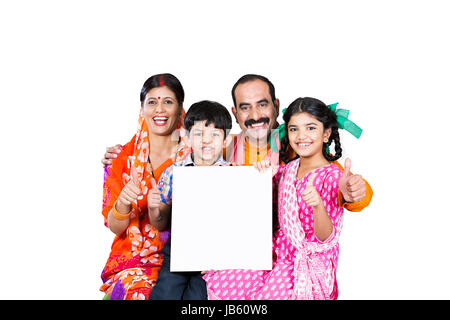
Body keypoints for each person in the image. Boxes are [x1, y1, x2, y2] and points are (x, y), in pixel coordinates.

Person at [203, 97, 349, 299]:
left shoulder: (331, 176)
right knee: (217, 279)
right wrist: (249, 174)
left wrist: (318, 205)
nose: (301, 136)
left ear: (326, 134)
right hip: (272, 254)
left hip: (303, 264)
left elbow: (326, 238)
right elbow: (257, 204)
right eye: (293, 129)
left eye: (311, 128)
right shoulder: (287, 170)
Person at [100, 73, 191, 300]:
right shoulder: (121, 158)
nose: (159, 109)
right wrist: (122, 203)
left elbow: (240, 141)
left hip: (185, 259)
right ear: (142, 110)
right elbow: (115, 227)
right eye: (152, 102)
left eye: (168, 102)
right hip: (132, 261)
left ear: (181, 110)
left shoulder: (199, 154)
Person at [147, 100, 232, 299]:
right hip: (179, 250)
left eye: (215, 134)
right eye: (199, 134)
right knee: (165, 293)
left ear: (226, 140)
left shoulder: (231, 174)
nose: (206, 140)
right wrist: (154, 208)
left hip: (213, 252)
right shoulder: (173, 173)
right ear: (186, 137)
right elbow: (160, 222)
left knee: (199, 297)